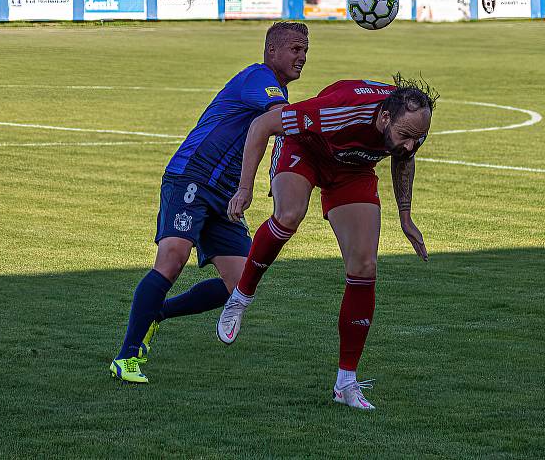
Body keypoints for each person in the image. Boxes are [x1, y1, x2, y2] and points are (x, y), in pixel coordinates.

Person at [217, 74, 437, 410]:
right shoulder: (339, 110)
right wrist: (244, 189)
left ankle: (345, 382)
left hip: (353, 169)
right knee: (290, 214)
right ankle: (241, 296)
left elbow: (404, 157)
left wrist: (405, 215)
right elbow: (261, 125)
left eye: (417, 139)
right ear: (383, 117)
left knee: (365, 266)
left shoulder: (406, 120)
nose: (410, 145)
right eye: (405, 136)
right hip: (306, 150)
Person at [110, 22, 309, 384]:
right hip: (192, 176)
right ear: (272, 52)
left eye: (305, 51)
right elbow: (282, 121)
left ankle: (158, 313)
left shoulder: (275, 91)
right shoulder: (259, 77)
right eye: (295, 49)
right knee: (172, 257)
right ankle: (126, 357)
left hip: (223, 193)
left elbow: (277, 133)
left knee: (241, 282)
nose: (302, 57)